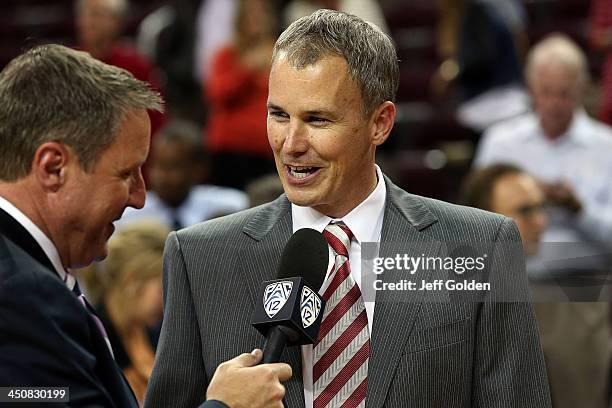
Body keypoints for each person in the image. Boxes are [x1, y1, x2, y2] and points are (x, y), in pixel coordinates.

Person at [146, 10, 551, 408]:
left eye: (318, 119)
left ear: (380, 123)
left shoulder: (480, 247)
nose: (291, 144)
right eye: (279, 115)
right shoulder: (198, 258)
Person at [0, 44, 291, 408]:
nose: (139, 198)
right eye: (126, 173)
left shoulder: (28, 279)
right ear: (53, 168)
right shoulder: (21, 295)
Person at [461, 164, 611, 408]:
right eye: (525, 211)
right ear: (483, 217)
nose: (541, 222)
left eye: (542, 208)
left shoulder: (566, 314)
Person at [474, 34, 612, 273]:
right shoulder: (499, 142)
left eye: (564, 93)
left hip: (585, 287)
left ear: (581, 90)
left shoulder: (607, 146)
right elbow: (475, 221)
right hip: (511, 285)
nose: (554, 104)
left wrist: (579, 210)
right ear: (530, 89)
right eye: (546, 92)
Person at [118, 120, 248, 230]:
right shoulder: (129, 217)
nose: (160, 176)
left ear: (198, 170)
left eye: (172, 167)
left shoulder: (229, 207)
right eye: (156, 166)